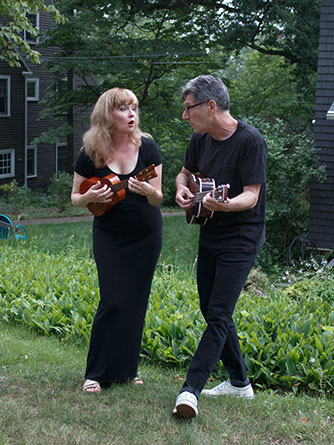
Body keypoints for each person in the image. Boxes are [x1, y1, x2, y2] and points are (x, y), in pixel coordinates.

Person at [173, 75, 267, 418]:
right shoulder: (200, 139)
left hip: (242, 236)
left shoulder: (250, 141)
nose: (185, 116)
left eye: (189, 108)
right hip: (210, 228)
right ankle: (240, 383)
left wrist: (226, 205)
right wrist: (181, 188)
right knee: (209, 307)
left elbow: (251, 196)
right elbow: (184, 174)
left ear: (211, 106)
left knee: (218, 314)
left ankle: (190, 390)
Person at [71, 87, 163, 393]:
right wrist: (89, 196)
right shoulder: (90, 152)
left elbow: (159, 198)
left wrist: (150, 192)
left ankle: (127, 370)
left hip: (145, 235)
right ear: (107, 115)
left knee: (135, 302)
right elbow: (75, 198)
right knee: (111, 300)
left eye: (134, 108)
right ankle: (95, 373)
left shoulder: (148, 148)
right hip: (110, 234)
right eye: (124, 109)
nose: (132, 114)